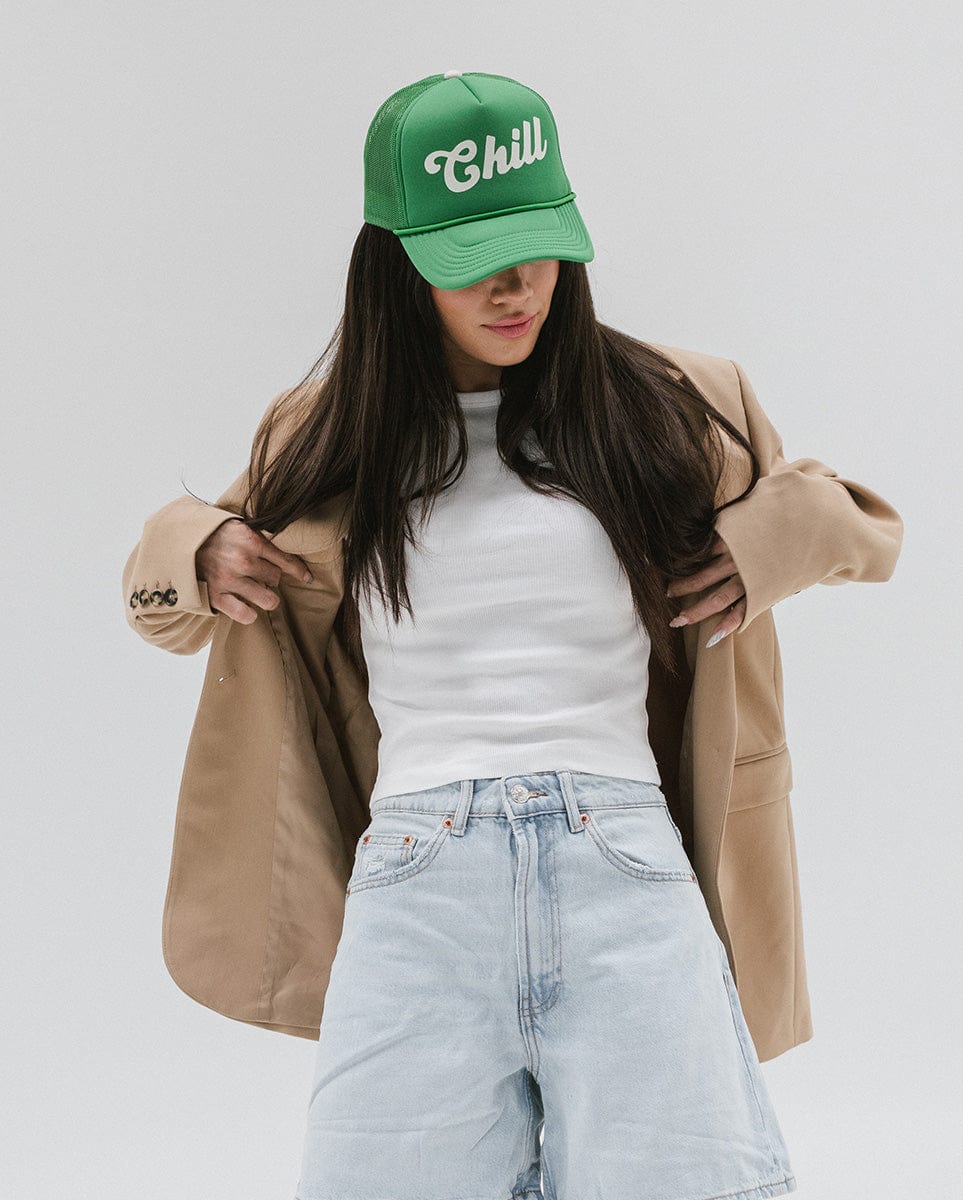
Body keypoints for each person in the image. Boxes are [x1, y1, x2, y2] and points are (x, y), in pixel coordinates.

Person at [122, 70, 904, 1200]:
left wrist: (764, 543)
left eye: (539, 244)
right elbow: (163, 616)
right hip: (416, 876)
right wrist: (191, 545)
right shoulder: (324, 435)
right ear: (396, 263)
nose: (516, 284)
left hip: (623, 857)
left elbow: (863, 532)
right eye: (471, 257)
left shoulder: (673, 402)